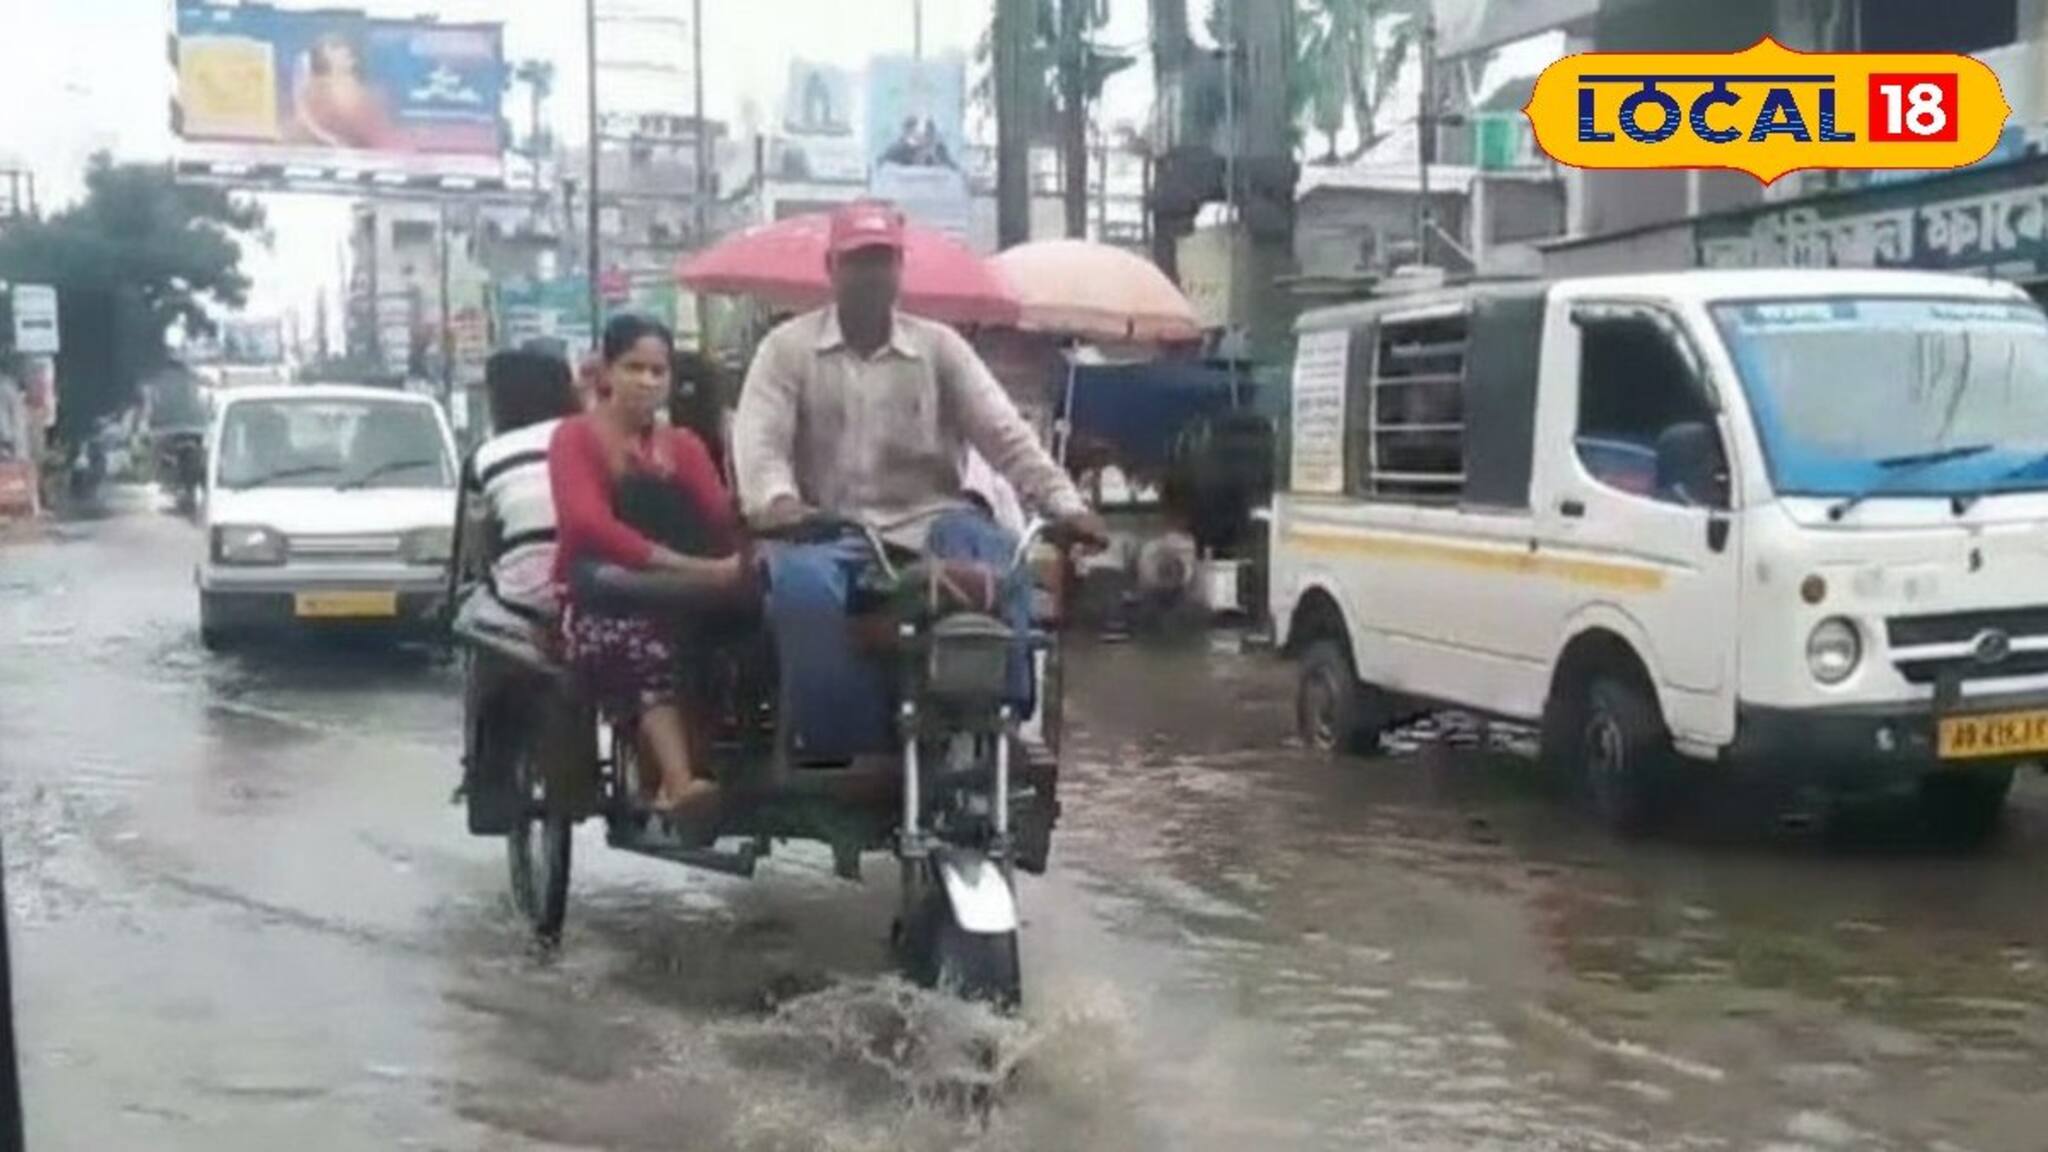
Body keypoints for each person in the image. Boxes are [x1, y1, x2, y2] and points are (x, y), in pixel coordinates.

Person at [732, 200, 1107, 761]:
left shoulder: (940, 348)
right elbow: (761, 450)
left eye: (882, 261)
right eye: (858, 262)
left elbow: (1006, 437)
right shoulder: (785, 351)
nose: (871, 275)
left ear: (899, 269)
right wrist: (778, 502)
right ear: (832, 268)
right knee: (802, 591)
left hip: (933, 520)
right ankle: (850, 748)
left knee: (999, 563)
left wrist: (1065, 505)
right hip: (828, 531)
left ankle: (1003, 715)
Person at [550, 315, 746, 814]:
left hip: (687, 593)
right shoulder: (574, 439)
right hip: (604, 593)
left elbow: (721, 517)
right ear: (606, 372)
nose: (647, 381)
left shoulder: (684, 446)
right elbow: (588, 526)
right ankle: (678, 783)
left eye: (658, 371)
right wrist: (690, 569)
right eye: (634, 367)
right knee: (645, 639)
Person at [456, 349, 581, 633]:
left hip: (525, 606)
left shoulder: (487, 456)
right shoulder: (598, 437)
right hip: (600, 597)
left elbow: (477, 551)